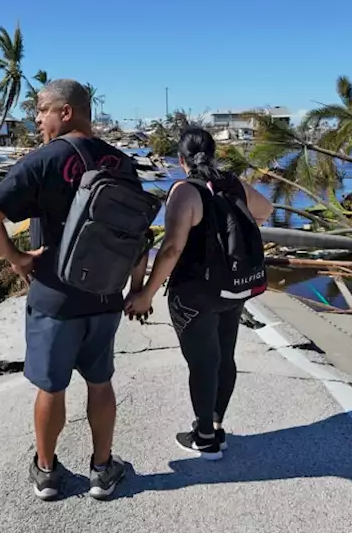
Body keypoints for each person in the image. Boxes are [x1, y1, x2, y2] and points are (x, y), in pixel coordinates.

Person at [0, 79, 144, 501]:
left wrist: (16, 258)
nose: (37, 118)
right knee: (101, 383)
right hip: (105, 295)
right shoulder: (121, 163)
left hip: (54, 296)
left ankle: (47, 473)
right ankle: (103, 471)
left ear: (65, 112)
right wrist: (137, 287)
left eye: (42, 109)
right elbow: (136, 236)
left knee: (52, 387)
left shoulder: (44, 160)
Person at [124, 127, 273, 459]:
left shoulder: (184, 191)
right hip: (232, 288)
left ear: (181, 160)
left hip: (195, 293)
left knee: (203, 362)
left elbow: (172, 249)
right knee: (224, 357)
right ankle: (217, 425)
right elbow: (265, 210)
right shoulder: (232, 184)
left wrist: (146, 293)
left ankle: (205, 438)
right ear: (214, 153)